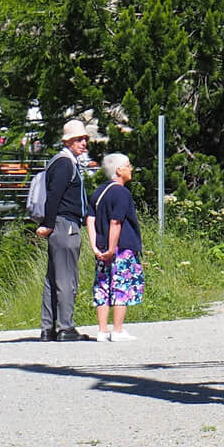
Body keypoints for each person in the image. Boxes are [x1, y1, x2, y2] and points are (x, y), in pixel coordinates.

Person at [36, 119, 91, 341]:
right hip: (65, 225)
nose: (84, 143)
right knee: (67, 277)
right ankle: (66, 327)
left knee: (53, 277)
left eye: (85, 139)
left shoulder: (61, 162)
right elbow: (55, 196)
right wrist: (49, 224)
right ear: (68, 141)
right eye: (79, 139)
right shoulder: (65, 164)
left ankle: (48, 328)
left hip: (60, 225)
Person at [88, 152, 144, 342]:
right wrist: (112, 248)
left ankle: (102, 330)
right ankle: (118, 330)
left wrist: (95, 245)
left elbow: (90, 218)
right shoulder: (121, 192)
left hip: (101, 247)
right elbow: (116, 222)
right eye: (129, 165)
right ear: (119, 170)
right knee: (122, 284)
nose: (131, 169)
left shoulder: (99, 192)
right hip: (120, 247)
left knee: (103, 285)